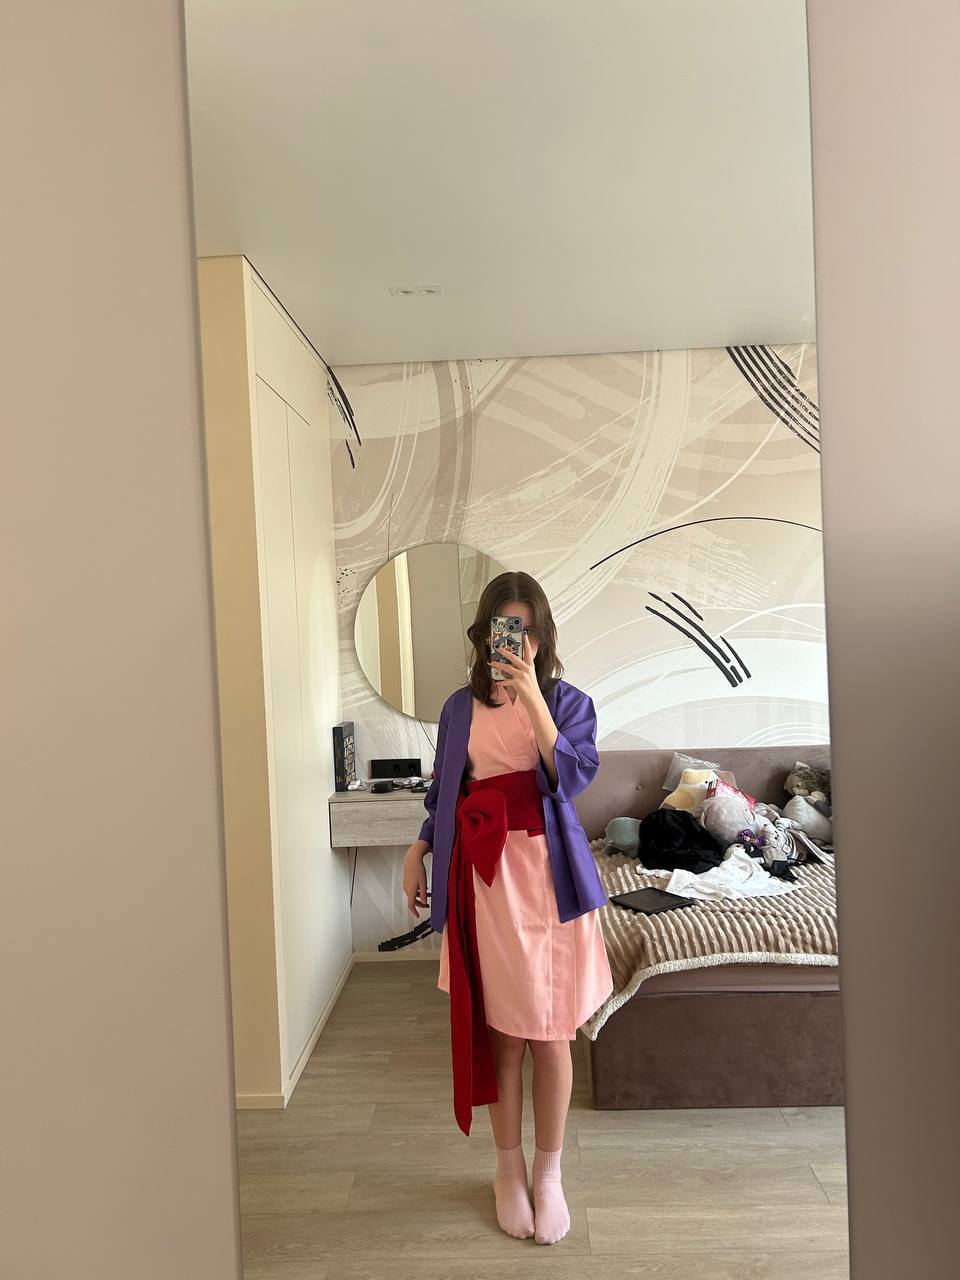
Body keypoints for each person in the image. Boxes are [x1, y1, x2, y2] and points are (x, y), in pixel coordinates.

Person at [402, 571, 613, 1245]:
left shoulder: (569, 703)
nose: (516, 644)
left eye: (528, 632)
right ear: (484, 635)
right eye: (505, 629)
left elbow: (571, 777)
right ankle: (507, 1167)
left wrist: (533, 700)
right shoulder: (457, 709)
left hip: (550, 881)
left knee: (551, 1033)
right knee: (504, 1035)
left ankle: (549, 1175)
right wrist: (419, 847)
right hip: (486, 882)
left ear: (542, 637)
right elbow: (444, 791)